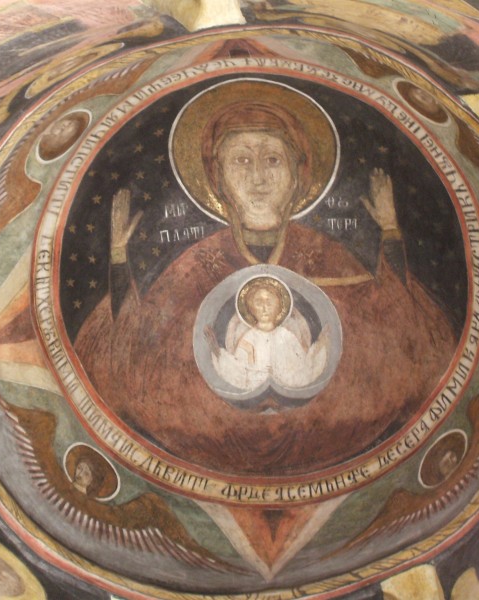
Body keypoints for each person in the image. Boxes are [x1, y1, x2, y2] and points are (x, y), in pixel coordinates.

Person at [74, 92, 457, 475]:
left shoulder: (327, 255)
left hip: (328, 439)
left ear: (298, 177)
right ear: (218, 180)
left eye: (273, 160)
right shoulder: (195, 262)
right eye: (241, 161)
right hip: (213, 442)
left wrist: (390, 233)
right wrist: (119, 259)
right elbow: (134, 352)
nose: (258, 178)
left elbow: (398, 325)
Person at [205, 276, 329, 392]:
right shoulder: (248, 339)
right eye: (259, 303)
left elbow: (302, 370)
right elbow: (239, 374)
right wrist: (218, 353)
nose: (264, 308)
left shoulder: (287, 336)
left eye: (269, 303)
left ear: (278, 307)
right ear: (251, 308)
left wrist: (319, 346)